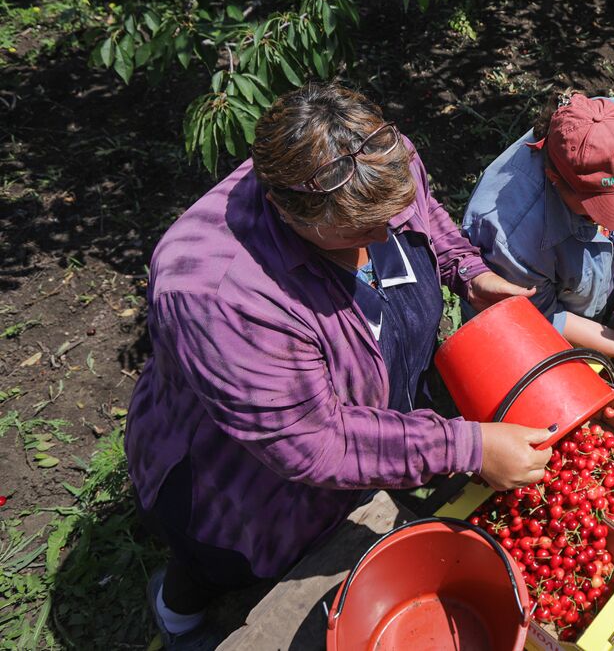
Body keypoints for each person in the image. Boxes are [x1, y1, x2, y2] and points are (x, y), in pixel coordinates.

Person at [125, 83, 551, 650]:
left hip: (343, 436)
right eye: (362, 233)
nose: (386, 238)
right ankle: (177, 614)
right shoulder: (220, 295)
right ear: (284, 210)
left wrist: (465, 270)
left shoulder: (374, 158)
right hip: (236, 479)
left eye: (391, 220)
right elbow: (314, 442)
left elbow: (423, 216)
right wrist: (469, 447)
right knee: (220, 559)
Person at [463, 93, 614, 368]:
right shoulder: (513, 236)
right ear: (556, 180)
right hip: (524, 326)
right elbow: (539, 315)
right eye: (601, 207)